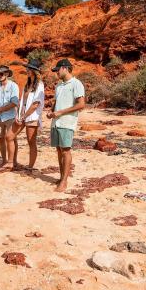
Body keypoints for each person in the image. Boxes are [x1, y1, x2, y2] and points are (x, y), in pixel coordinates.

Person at [46, 58, 85, 192]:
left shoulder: (76, 83)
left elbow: (81, 105)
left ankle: (64, 181)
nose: (56, 72)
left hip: (67, 122)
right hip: (56, 122)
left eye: (58, 70)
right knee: (58, 149)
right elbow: (57, 103)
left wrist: (61, 112)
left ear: (65, 68)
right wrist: (52, 112)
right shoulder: (59, 86)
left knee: (66, 150)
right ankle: (62, 176)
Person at [5, 59, 45, 170]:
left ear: (34, 71)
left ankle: (30, 167)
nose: (26, 70)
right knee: (9, 136)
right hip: (22, 116)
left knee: (31, 142)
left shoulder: (39, 85)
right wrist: (19, 116)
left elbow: (35, 104)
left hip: (32, 117)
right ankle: (11, 162)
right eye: (27, 68)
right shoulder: (27, 84)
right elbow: (23, 102)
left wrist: (23, 116)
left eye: (29, 69)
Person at [0, 65, 19, 169]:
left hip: (10, 116)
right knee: (1, 138)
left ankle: (13, 162)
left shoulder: (13, 86)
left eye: (1, 73)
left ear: (7, 74)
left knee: (11, 138)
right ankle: (4, 161)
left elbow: (15, 103)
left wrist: (0, 109)